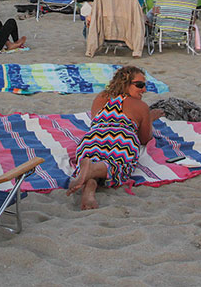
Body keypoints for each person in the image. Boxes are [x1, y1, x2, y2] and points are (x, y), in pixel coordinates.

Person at [66, 66, 164, 209]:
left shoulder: (101, 97)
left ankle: (89, 191)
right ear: (125, 83)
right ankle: (92, 169)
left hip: (94, 136)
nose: (144, 90)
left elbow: (95, 123)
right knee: (118, 166)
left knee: (94, 160)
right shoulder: (141, 106)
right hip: (122, 137)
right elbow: (144, 139)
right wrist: (149, 118)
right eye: (140, 85)